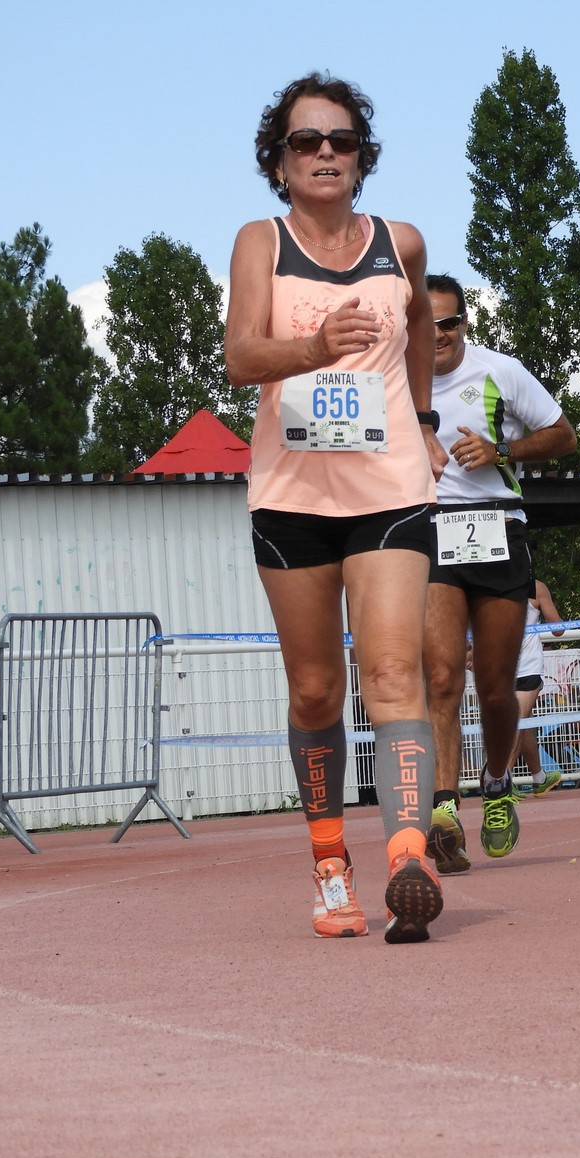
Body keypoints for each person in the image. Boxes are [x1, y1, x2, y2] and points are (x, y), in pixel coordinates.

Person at [224, 73, 445, 944]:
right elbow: (241, 358)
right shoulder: (261, 242)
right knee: (316, 688)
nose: (324, 153)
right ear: (279, 162)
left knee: (392, 673)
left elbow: (419, 329)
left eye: (341, 140)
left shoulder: (401, 243)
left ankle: (408, 857)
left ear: (362, 158)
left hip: (390, 489)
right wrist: (315, 346)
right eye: (305, 141)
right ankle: (328, 864)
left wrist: (422, 419)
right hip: (293, 496)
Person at [420, 274, 576, 874]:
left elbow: (563, 436)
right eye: (427, 323)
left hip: (498, 529)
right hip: (432, 533)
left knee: (494, 686)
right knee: (440, 677)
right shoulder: (397, 380)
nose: (439, 334)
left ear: (465, 322)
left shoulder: (499, 372)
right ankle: (442, 809)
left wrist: (500, 451)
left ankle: (497, 781)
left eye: (449, 322)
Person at [512, 577, 566, 797]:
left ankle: (539, 778)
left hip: (498, 667)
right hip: (527, 667)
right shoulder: (535, 587)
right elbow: (558, 629)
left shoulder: (489, 583)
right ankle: (500, 780)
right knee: (517, 723)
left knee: (523, 722)